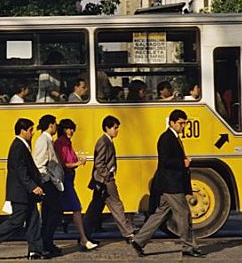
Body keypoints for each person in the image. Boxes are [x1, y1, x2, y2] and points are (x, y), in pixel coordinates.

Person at [130, 109, 204, 258]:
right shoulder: (166, 138)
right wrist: (183, 163)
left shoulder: (172, 137)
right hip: (171, 184)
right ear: (172, 122)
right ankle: (188, 246)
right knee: (184, 214)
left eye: (185, 123)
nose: (183, 126)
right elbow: (165, 161)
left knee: (160, 214)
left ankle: (138, 241)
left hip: (169, 183)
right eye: (181, 123)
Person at [0, 118, 45, 260]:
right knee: (17, 220)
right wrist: (33, 187)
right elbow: (20, 170)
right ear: (22, 131)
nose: (32, 133)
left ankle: (35, 250)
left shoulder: (22, 145)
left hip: (25, 192)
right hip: (20, 192)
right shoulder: (18, 146)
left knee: (33, 219)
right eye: (30, 130)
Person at [83, 116, 136, 244]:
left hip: (101, 181)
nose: (117, 131)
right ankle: (128, 233)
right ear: (107, 128)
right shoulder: (104, 142)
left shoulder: (107, 141)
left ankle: (84, 235)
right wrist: (107, 175)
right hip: (105, 181)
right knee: (116, 205)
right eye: (115, 128)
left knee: (95, 208)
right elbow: (99, 162)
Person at [53, 119, 98, 251]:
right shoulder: (60, 143)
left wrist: (77, 161)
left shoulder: (67, 143)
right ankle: (84, 239)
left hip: (69, 180)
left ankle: (46, 239)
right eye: (68, 128)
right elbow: (64, 164)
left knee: (57, 211)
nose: (71, 131)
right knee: (76, 208)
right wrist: (78, 163)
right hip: (65, 180)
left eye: (72, 128)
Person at [32, 115, 64, 257]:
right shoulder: (43, 141)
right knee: (54, 212)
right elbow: (40, 163)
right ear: (51, 125)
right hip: (47, 181)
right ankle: (46, 243)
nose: (56, 127)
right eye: (55, 124)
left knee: (48, 214)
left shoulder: (46, 140)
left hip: (49, 181)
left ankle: (48, 243)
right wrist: (47, 180)